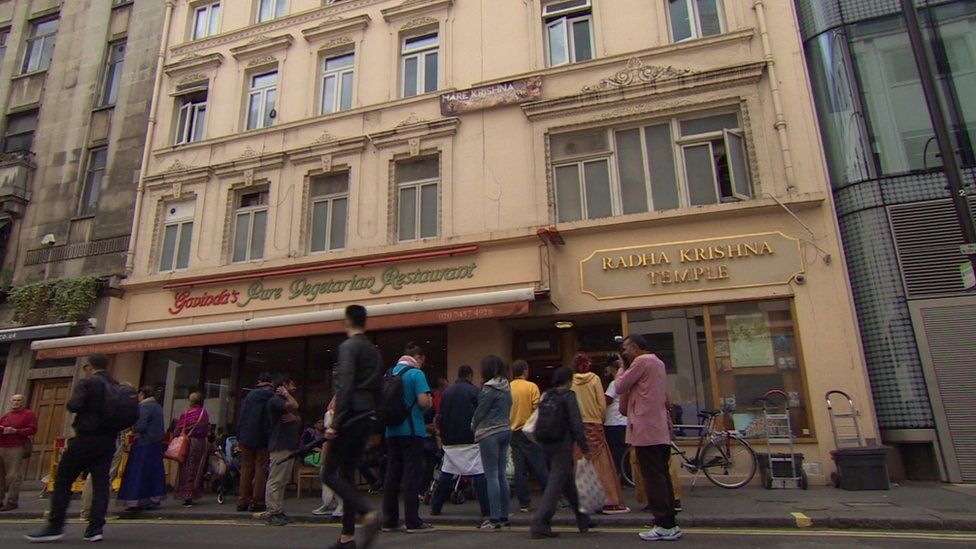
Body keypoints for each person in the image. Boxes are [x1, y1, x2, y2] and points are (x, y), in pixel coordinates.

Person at [27, 356, 122, 543]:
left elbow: (74, 405)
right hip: (108, 441)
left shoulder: (87, 382)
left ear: (89, 366)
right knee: (101, 483)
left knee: (62, 479)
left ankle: (55, 525)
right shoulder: (116, 385)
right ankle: (95, 528)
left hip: (86, 437)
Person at [322, 304, 383, 549]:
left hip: (350, 416)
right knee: (347, 474)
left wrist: (335, 424)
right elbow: (380, 390)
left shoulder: (348, 347)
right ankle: (347, 537)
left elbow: (345, 387)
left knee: (328, 473)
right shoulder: (374, 351)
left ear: (347, 321)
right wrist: (377, 426)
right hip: (367, 417)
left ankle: (367, 513)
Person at [617, 334, 681, 541]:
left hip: (646, 430)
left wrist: (621, 367)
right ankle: (670, 522)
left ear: (635, 347)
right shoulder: (658, 363)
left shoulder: (642, 362)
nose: (624, 352)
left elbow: (620, 386)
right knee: (662, 477)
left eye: (626, 348)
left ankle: (663, 524)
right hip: (659, 429)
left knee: (652, 478)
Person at [530, 367, 592, 539]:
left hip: (546, 442)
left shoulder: (547, 395)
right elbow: (576, 423)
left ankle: (583, 517)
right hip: (562, 443)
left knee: (566, 481)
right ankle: (540, 522)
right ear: (568, 381)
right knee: (556, 483)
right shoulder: (568, 396)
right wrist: (585, 447)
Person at [382, 342, 436, 534]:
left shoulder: (390, 373)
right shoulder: (416, 374)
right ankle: (413, 520)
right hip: (412, 430)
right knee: (412, 474)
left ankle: (389, 519)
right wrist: (429, 401)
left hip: (391, 431)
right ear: (418, 357)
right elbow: (423, 401)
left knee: (392, 474)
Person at [571, 352, 629, 514]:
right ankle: (608, 500)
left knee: (581, 462)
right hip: (595, 423)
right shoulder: (595, 379)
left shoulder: (572, 382)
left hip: (580, 425)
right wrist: (600, 418)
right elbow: (602, 404)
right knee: (602, 462)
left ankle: (584, 499)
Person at [430, 365, 490, 520]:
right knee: (478, 473)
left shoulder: (447, 393)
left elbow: (440, 416)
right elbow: (481, 415)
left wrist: (442, 435)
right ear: (469, 376)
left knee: (447, 473)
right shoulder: (475, 391)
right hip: (470, 439)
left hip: (450, 440)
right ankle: (486, 510)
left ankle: (435, 506)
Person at [471, 355, 512, 531]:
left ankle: (494, 518)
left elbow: (481, 411)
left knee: (492, 475)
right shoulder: (506, 387)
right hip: (505, 429)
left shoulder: (489, 389)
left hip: (490, 433)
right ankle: (504, 515)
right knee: (502, 474)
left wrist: (472, 424)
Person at [508, 359, 548, 513]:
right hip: (529, 430)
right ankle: (551, 497)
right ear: (525, 370)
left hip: (513, 430)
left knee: (520, 468)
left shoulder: (508, 388)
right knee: (539, 465)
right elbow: (537, 409)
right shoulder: (531, 387)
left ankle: (524, 503)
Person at [117, 387, 166, 511]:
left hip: (143, 443)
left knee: (138, 473)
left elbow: (140, 426)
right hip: (155, 444)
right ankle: (152, 499)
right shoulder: (157, 407)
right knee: (152, 473)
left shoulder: (145, 407)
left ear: (142, 394)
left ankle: (136, 500)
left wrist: (132, 427)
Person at [265, 374, 301, 526]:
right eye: (291, 384)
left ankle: (278, 510)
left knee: (283, 480)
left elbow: (297, 416)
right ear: (284, 385)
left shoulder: (284, 400)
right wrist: (286, 394)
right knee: (276, 480)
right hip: (280, 445)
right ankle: (272, 512)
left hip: (289, 445)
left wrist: (295, 418)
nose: (295, 387)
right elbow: (295, 407)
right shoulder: (276, 400)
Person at [236, 372, 275, 513]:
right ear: (271, 382)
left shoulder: (250, 395)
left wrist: (239, 436)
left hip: (247, 436)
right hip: (263, 437)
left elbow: (242, 416)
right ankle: (257, 501)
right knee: (261, 468)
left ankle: (242, 500)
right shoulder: (272, 396)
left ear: (259, 381)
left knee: (246, 468)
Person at [0, 393, 37, 511]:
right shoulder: (6, 416)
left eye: (19, 400)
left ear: (23, 402)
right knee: (1, 475)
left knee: (13, 475)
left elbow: (33, 429)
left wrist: (16, 431)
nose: (16, 402)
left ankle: (12, 501)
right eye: (14, 400)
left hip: (16, 446)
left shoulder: (28, 414)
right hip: (2, 446)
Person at [174, 392, 210, 507]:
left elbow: (178, 430)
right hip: (200, 443)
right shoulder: (204, 413)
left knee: (185, 468)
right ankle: (193, 492)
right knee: (196, 468)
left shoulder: (186, 414)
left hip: (187, 442)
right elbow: (207, 429)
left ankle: (185, 493)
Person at [603, 358, 629, 484]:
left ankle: (618, 477)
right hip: (625, 421)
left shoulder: (615, 383)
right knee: (625, 452)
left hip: (614, 421)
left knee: (616, 452)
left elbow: (606, 400)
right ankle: (626, 476)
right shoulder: (629, 382)